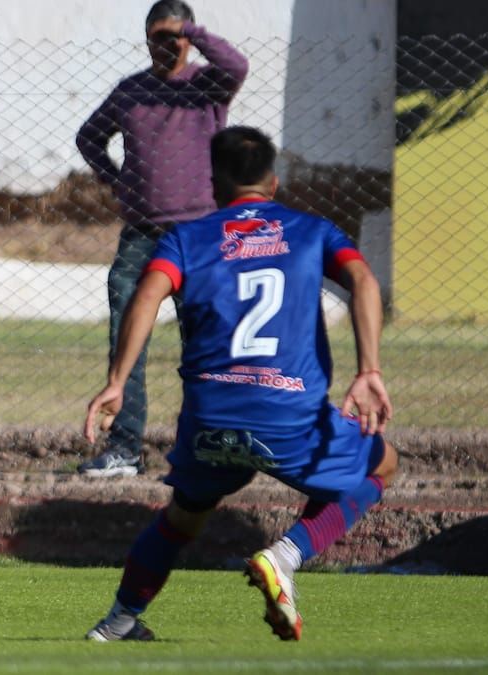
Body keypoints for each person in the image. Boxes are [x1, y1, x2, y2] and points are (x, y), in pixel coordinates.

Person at [81, 126, 399, 642]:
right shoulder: (312, 230)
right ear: (273, 182)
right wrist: (369, 370)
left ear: (213, 184)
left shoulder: (186, 237)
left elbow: (147, 292)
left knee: (183, 518)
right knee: (382, 462)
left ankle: (116, 623)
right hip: (287, 413)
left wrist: (117, 381)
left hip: (210, 418)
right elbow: (363, 280)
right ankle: (285, 556)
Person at [75, 0, 249, 478]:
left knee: (203, 340)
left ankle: (203, 445)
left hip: (199, 235)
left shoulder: (207, 86)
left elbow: (237, 65)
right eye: (157, 35)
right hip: (141, 234)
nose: (166, 44)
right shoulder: (129, 92)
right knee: (125, 336)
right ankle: (126, 447)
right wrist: (116, 181)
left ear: (189, 36)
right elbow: (89, 137)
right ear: (146, 36)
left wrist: (191, 30)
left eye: (174, 36)